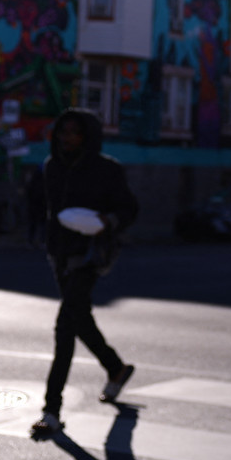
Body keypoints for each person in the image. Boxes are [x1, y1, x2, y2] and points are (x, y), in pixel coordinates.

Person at [31, 108, 139, 440]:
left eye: (75, 133)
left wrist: (107, 221)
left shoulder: (107, 169)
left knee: (65, 328)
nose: (68, 138)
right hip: (59, 254)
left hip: (90, 256)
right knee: (81, 319)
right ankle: (116, 368)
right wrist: (37, 231)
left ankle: (51, 411)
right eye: (63, 132)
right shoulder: (51, 167)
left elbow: (129, 209)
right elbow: (41, 206)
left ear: (87, 136)